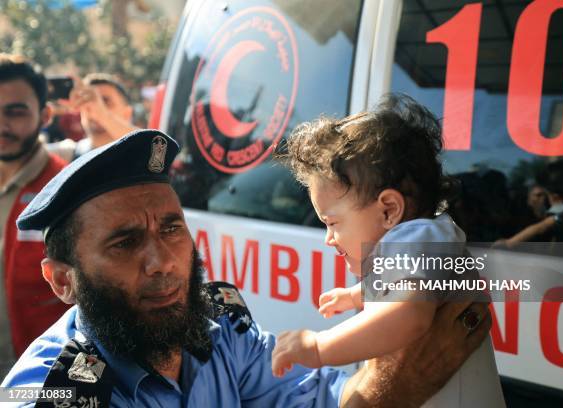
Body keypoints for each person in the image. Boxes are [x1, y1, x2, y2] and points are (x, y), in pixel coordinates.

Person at [2, 129, 492, 407]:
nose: (163, 262)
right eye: (125, 243)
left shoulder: (218, 324)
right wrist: (400, 384)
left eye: (171, 228)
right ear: (63, 280)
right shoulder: (58, 395)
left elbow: (319, 401)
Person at [271, 94, 505, 407]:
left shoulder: (418, 236)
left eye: (332, 222)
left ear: (389, 210)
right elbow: (402, 287)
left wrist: (318, 346)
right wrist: (356, 295)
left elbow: (408, 314)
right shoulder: (419, 240)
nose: (328, 238)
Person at [0, 54, 68, 379]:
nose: (2, 125)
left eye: (15, 112)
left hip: (40, 379)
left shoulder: (66, 188)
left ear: (45, 115)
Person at [47, 73, 138, 161]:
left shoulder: (145, 158)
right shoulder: (63, 156)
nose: (93, 106)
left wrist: (103, 115)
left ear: (127, 113)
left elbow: (148, 143)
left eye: (105, 101)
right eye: (86, 100)